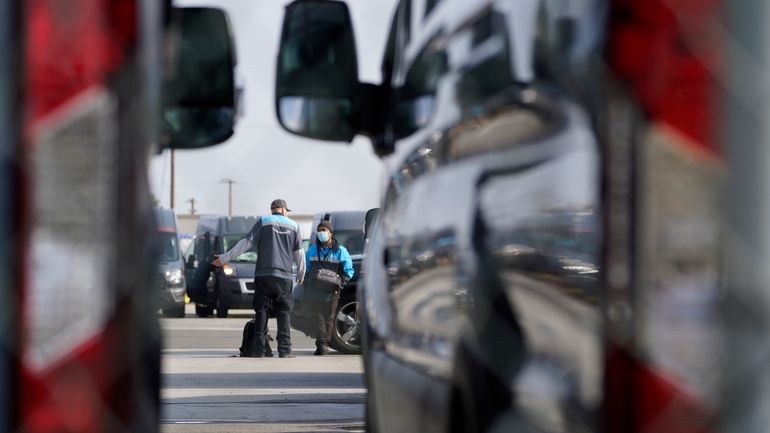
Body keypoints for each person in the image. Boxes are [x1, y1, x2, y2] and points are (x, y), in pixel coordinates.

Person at [213, 199, 305, 358]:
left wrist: (224, 258)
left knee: (261, 311)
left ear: (272, 210)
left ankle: (259, 349)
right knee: (283, 312)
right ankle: (285, 350)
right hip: (284, 277)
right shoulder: (294, 226)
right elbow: (299, 253)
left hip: (263, 276)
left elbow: (245, 243)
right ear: (283, 210)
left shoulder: (263, 222)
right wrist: (301, 274)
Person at [304, 220, 354, 355]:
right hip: (314, 291)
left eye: (324, 230)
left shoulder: (341, 251)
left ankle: (324, 343)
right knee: (318, 318)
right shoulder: (312, 250)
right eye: (319, 230)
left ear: (331, 233)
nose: (321, 233)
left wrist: (340, 284)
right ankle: (322, 344)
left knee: (329, 318)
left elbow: (349, 271)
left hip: (332, 292)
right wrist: (306, 287)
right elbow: (306, 271)